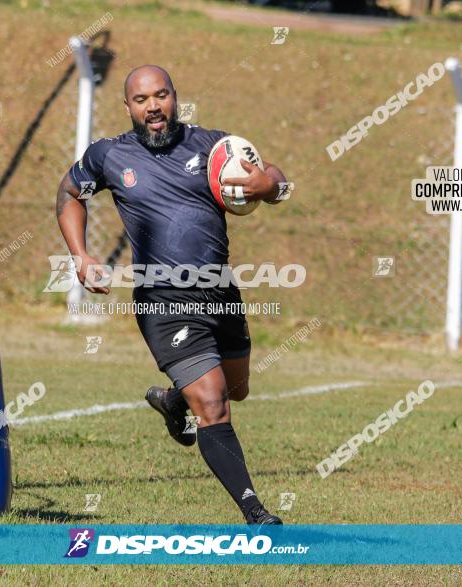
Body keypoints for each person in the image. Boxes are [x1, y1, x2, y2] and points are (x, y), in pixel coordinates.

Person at [56, 64, 291, 524]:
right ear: (128, 107)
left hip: (220, 293)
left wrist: (269, 186)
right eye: (141, 100)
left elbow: (274, 178)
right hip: (163, 302)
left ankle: (172, 401)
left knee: (237, 389)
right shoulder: (108, 156)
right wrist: (81, 255)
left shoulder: (209, 144)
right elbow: (68, 194)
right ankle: (256, 513)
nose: (153, 107)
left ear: (175, 97)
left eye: (160, 96)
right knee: (214, 402)